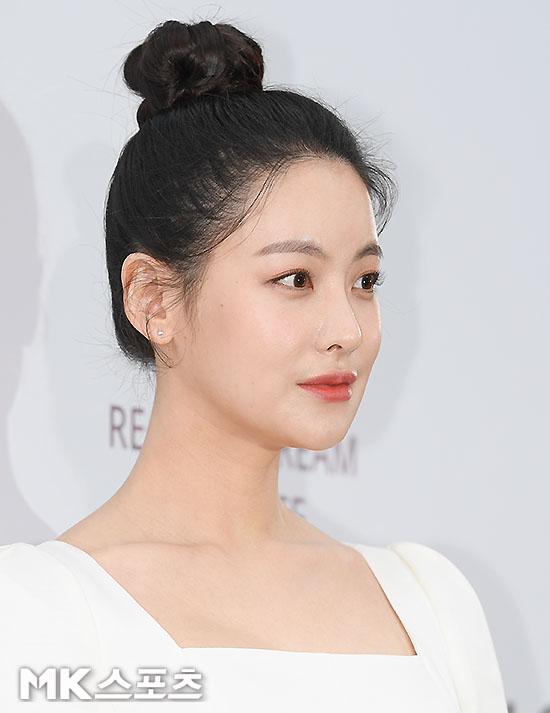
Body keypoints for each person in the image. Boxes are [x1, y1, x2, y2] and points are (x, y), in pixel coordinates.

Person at [0, 18, 508, 712]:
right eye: (295, 278)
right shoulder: (39, 614)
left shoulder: (431, 602)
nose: (346, 330)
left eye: (365, 281)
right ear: (154, 299)